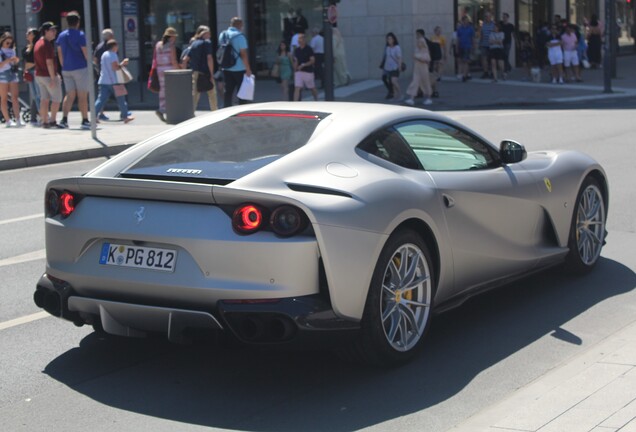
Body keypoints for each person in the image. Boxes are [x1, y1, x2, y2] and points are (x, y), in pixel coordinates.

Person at [56, 11, 90, 130]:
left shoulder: (61, 35)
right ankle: (85, 120)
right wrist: (90, 64)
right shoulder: (80, 35)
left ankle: (64, 119)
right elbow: (85, 52)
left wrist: (63, 65)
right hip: (80, 67)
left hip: (66, 68)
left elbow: (59, 52)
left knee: (69, 95)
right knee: (82, 95)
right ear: (78, 22)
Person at [94, 40, 134, 124]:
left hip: (103, 80)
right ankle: (125, 117)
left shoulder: (104, 54)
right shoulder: (113, 55)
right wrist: (123, 63)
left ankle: (94, 116)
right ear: (114, 46)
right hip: (114, 81)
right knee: (121, 99)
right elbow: (115, 67)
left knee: (101, 99)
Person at [34, 22, 63, 128]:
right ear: (45, 31)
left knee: (44, 99)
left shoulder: (38, 43)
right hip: (47, 75)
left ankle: (45, 121)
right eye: (52, 30)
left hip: (39, 75)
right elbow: (49, 62)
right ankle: (53, 121)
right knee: (56, 99)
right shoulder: (47, 45)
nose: (54, 32)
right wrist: (53, 78)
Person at [219, 17, 252, 107]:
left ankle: (227, 109)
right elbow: (244, 54)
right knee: (242, 92)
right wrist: (248, 69)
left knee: (228, 91)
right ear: (240, 25)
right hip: (239, 68)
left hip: (226, 67)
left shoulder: (223, 35)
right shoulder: (240, 36)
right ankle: (242, 109)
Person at [185, 25, 218, 112]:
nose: (210, 35)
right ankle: (215, 112)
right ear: (204, 34)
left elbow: (185, 59)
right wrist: (211, 74)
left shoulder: (194, 43)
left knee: (195, 94)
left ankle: (191, 112)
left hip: (195, 72)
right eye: (208, 33)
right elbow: (209, 58)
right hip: (206, 72)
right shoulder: (207, 43)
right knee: (212, 94)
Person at [154, 27, 181, 122]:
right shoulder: (171, 46)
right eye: (174, 37)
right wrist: (178, 70)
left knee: (162, 90)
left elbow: (156, 58)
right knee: (171, 90)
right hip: (169, 69)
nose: (175, 39)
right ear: (171, 37)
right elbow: (173, 60)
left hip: (160, 69)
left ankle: (162, 108)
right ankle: (165, 110)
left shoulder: (158, 45)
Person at [404, 29, 433, 106]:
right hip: (418, 67)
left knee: (425, 82)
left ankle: (428, 98)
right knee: (415, 81)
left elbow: (426, 59)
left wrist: (417, 57)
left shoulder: (424, 48)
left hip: (423, 68)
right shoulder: (418, 48)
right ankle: (412, 98)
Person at [0, 32, 23, 127]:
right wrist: (9, 60)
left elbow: (14, 64)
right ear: (2, 41)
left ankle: (18, 119)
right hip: (3, 74)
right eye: (7, 43)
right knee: (4, 98)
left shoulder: (12, 50)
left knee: (15, 97)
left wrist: (16, 61)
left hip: (12, 73)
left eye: (10, 43)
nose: (9, 45)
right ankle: (8, 120)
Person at [93, 28, 115, 121]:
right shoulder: (110, 46)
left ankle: (99, 113)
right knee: (119, 94)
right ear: (110, 36)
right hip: (111, 74)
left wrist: (98, 68)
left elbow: (95, 59)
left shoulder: (99, 46)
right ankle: (124, 113)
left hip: (101, 73)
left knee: (102, 95)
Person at [22, 28, 40, 125]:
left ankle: (42, 115)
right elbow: (25, 60)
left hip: (36, 71)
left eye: (29, 33)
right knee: (34, 95)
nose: (27, 34)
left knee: (38, 94)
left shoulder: (37, 46)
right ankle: (38, 115)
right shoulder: (27, 47)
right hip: (29, 72)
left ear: (34, 35)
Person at [293, 33, 318, 101]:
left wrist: (303, 65)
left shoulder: (309, 49)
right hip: (299, 71)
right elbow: (296, 60)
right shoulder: (297, 50)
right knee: (297, 87)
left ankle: (316, 99)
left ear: (304, 40)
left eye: (301, 38)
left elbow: (312, 60)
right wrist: (295, 70)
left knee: (311, 87)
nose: (299, 40)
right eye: (299, 39)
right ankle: (295, 103)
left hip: (308, 71)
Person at [380, 32, 402, 100]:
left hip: (395, 67)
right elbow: (386, 57)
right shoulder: (387, 48)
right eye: (388, 39)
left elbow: (399, 58)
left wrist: (399, 66)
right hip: (387, 67)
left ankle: (400, 94)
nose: (389, 40)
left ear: (394, 39)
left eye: (390, 39)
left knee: (394, 81)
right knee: (388, 80)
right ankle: (395, 95)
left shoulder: (397, 48)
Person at [456, 16, 474, 82]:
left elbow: (472, 38)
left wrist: (473, 47)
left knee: (466, 61)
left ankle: (464, 75)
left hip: (468, 46)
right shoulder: (459, 29)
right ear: (463, 21)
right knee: (462, 61)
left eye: (467, 20)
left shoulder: (470, 28)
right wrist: (457, 47)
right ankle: (464, 74)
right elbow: (458, 39)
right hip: (461, 46)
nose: (466, 22)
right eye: (465, 20)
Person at [479, 12, 495, 78]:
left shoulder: (493, 24)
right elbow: (481, 34)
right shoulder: (483, 25)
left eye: (488, 16)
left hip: (492, 44)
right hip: (484, 44)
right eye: (485, 16)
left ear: (490, 17)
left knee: (491, 59)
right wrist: (480, 42)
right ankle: (485, 72)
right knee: (484, 59)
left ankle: (492, 72)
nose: (486, 18)